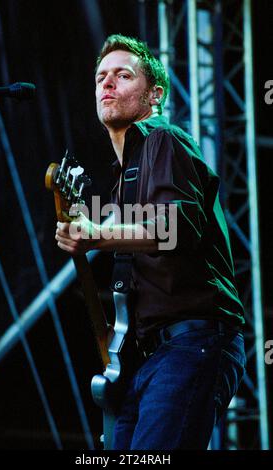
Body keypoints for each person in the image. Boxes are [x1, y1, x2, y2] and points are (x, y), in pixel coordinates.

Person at [55, 34, 246, 450]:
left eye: (123, 75)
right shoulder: (126, 178)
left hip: (191, 343)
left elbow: (174, 228)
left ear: (154, 94)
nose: (108, 83)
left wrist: (97, 235)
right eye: (101, 77)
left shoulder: (163, 139)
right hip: (148, 359)